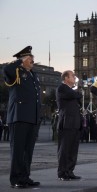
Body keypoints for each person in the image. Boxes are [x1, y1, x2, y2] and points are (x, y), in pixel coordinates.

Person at [3, 46, 41, 188]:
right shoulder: (16, 71)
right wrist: (18, 61)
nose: (32, 60)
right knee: (18, 151)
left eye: (32, 58)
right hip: (19, 116)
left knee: (28, 151)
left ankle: (25, 177)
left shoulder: (32, 74)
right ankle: (16, 179)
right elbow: (6, 70)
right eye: (29, 58)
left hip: (32, 117)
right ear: (23, 59)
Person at [56, 70, 82, 181]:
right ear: (66, 78)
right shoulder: (62, 88)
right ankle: (62, 172)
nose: (74, 77)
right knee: (65, 149)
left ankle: (70, 171)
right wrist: (77, 93)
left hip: (75, 123)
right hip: (66, 123)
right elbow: (76, 95)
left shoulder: (71, 90)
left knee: (73, 149)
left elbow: (78, 98)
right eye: (72, 76)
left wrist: (77, 94)